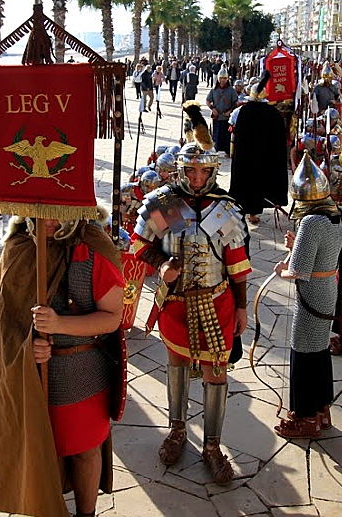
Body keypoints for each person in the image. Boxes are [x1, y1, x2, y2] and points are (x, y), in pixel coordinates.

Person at [0, 212, 125, 517]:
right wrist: (28, 348)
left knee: (85, 452)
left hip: (82, 371)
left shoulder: (91, 246)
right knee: (38, 452)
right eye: (42, 211)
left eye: (58, 211)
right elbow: (6, 323)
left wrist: (59, 324)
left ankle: (86, 514)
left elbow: (112, 317)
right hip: (29, 378)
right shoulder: (19, 246)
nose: (50, 220)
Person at [131, 144, 251, 485]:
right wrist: (161, 264)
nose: (198, 179)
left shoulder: (225, 208)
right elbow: (140, 245)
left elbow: (237, 265)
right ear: (182, 170)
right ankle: (178, 429)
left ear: (213, 172)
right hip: (176, 302)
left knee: (217, 372)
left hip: (218, 302)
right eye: (192, 171)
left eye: (204, 172)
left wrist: (241, 306)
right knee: (177, 365)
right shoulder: (166, 203)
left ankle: (212, 445)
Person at [271, 153, 341, 439]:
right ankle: (322, 411)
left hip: (313, 294)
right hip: (327, 291)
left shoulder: (312, 222)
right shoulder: (334, 214)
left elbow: (298, 271)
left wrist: (281, 271)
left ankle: (306, 417)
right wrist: (295, 245)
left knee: (303, 352)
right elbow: (317, 254)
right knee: (319, 351)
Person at [206, 72, 238, 154]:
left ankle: (227, 151)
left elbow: (236, 103)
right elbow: (208, 101)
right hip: (217, 117)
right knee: (216, 135)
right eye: (221, 78)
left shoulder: (231, 90)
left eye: (224, 78)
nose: (222, 80)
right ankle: (215, 150)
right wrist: (212, 109)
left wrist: (230, 111)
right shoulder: (214, 90)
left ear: (227, 79)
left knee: (226, 136)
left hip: (227, 118)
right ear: (218, 79)